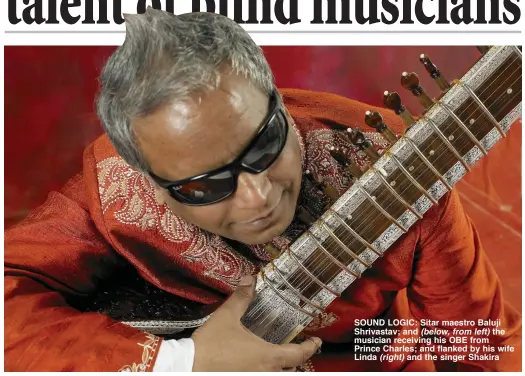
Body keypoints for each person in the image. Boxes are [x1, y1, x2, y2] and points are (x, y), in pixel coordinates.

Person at [4, 8, 521, 372]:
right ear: (153, 186)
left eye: (264, 145)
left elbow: (479, 345)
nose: (258, 198)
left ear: (276, 102)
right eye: (206, 185)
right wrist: (184, 362)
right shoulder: (113, 190)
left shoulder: (395, 168)